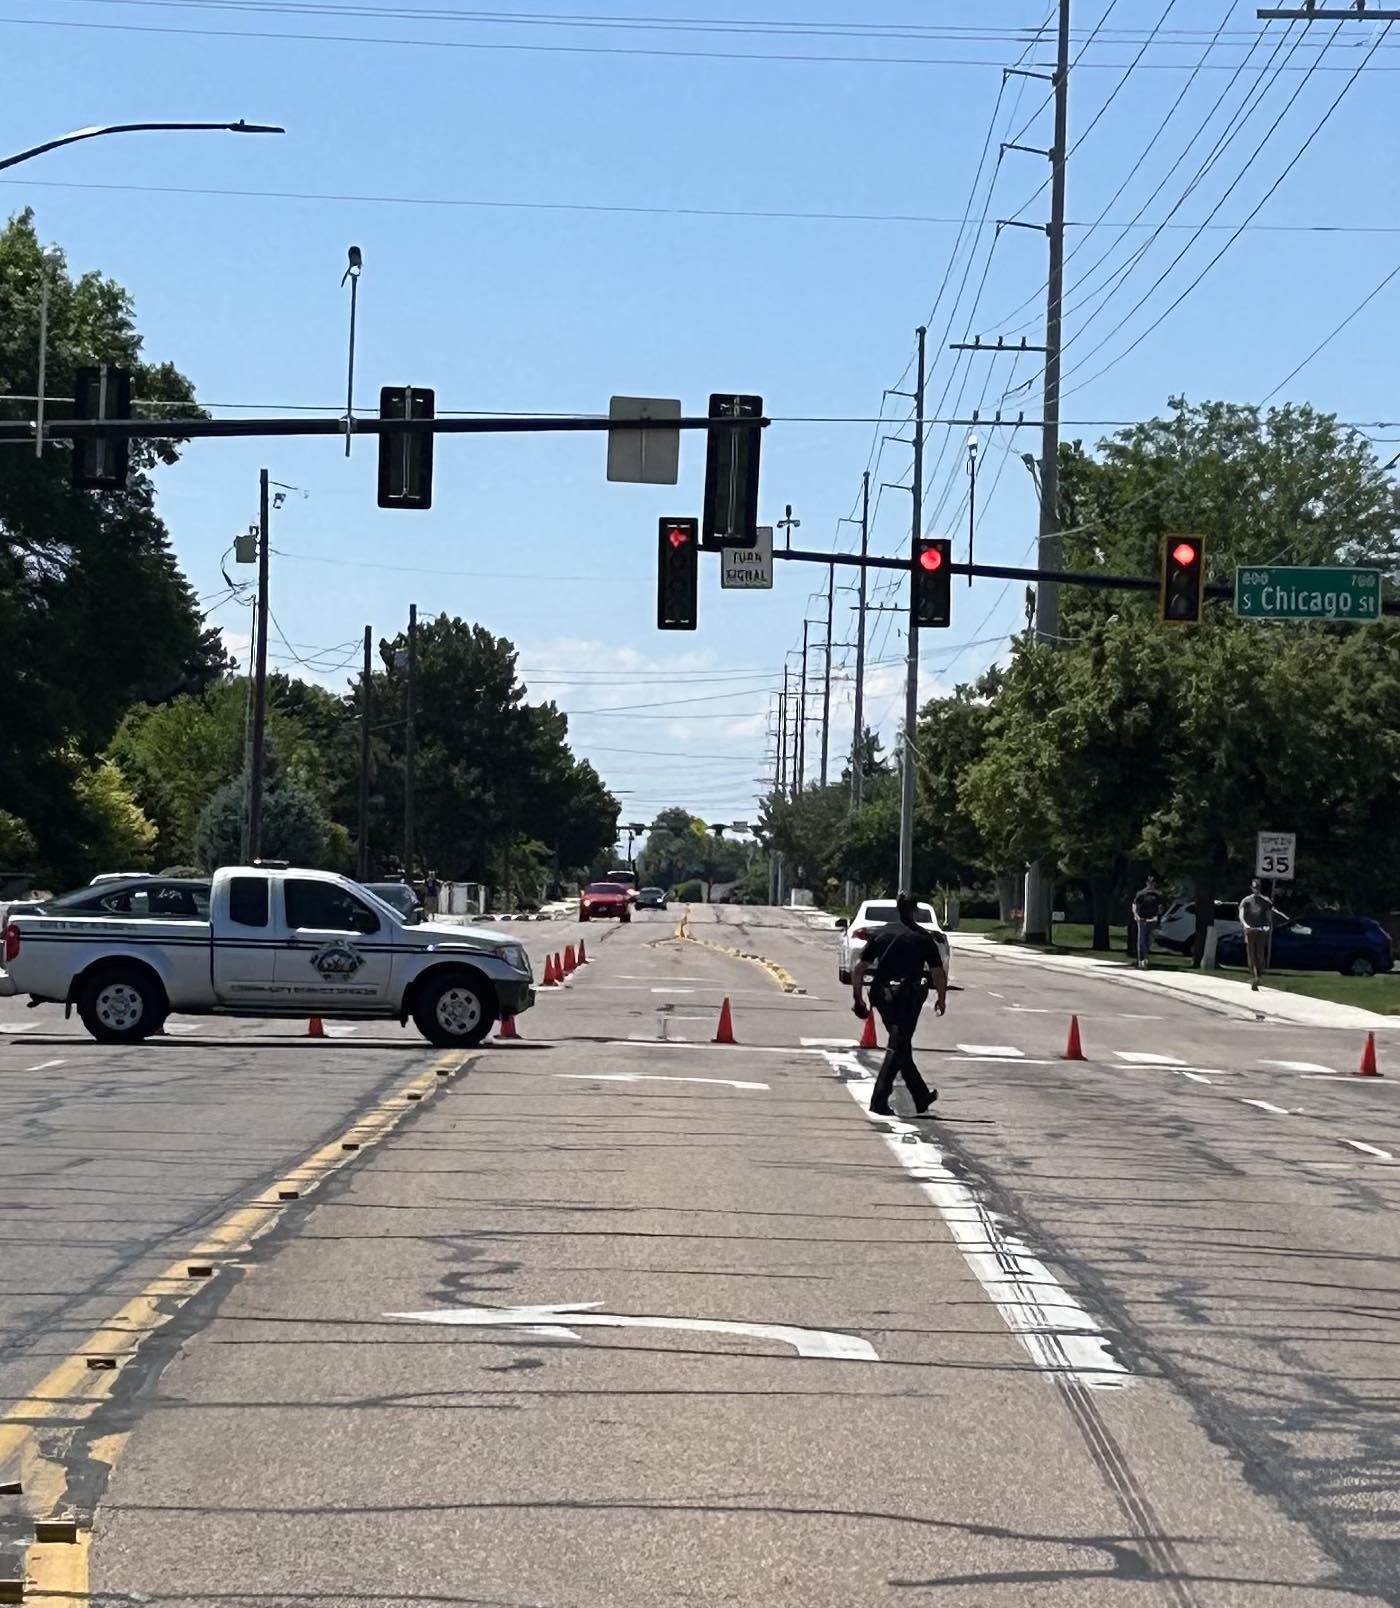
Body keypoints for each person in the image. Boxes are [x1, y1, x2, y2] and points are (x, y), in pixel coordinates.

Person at [850, 891, 949, 1117]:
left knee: (900, 1044)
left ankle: (920, 1094)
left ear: (897, 908)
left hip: (882, 994)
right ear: (915, 910)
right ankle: (879, 1100)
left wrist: (858, 998)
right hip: (908, 996)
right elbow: (937, 973)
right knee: (898, 1045)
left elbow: (859, 969)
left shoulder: (881, 934)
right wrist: (941, 998)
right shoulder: (923, 938)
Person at [1238, 877, 1282, 991]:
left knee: (1260, 953)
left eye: (1257, 887)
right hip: (1250, 930)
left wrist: (1269, 927)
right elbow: (1241, 915)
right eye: (1254, 887)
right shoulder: (1246, 901)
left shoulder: (1266, 901)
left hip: (1261, 930)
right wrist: (1245, 924)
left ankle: (1259, 974)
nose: (1256, 889)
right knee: (1251, 954)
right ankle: (1254, 976)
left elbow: (1268, 917)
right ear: (1251, 888)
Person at [1131, 876, 1165, 969]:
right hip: (1142, 919)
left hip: (1152, 919)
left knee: (1149, 940)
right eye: (1150, 882)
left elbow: (1161, 907)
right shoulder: (1141, 894)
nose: (1151, 884)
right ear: (1147, 883)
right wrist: (1136, 916)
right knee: (1141, 940)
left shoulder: (1158, 895)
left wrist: (1158, 915)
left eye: (1153, 882)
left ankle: (1145, 957)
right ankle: (1141, 960)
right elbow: (1134, 905)